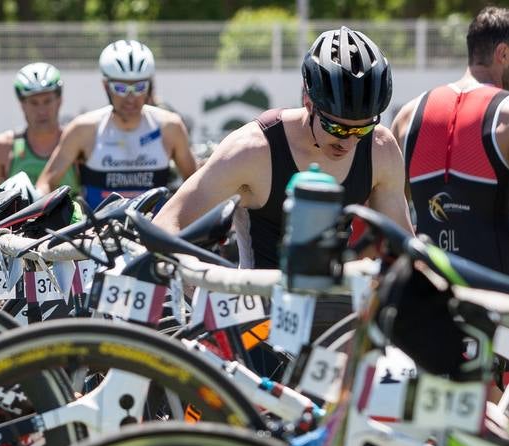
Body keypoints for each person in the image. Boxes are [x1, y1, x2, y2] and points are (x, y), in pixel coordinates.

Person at [153, 28, 412, 274]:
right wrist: (201, 291)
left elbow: (404, 249)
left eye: (362, 130)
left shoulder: (380, 148)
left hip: (333, 311)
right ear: (308, 102)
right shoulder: (251, 150)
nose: (348, 142)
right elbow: (166, 225)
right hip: (260, 312)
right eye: (337, 128)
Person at [392, 6, 509, 267]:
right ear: (503, 53)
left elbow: (388, 224)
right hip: (495, 299)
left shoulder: (407, 117)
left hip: (428, 295)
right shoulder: (506, 115)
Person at [37, 41, 197, 205]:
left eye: (139, 87)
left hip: (154, 227)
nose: (130, 98)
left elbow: (195, 184)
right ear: (106, 86)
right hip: (96, 229)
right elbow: (45, 183)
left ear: (150, 86)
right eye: (120, 88)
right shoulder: (83, 130)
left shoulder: (170, 127)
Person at [0, 63, 77, 191]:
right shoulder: (4, 147)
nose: (41, 111)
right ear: (22, 105)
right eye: (34, 103)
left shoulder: (76, 144)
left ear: (59, 101)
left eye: (47, 101)